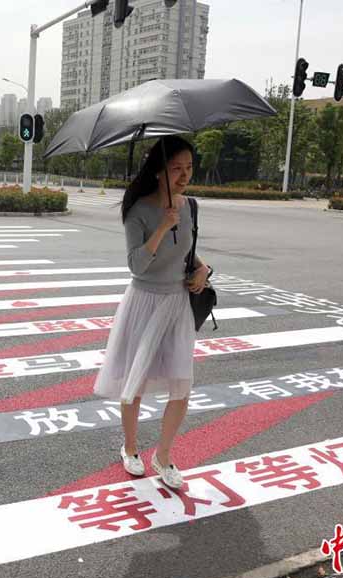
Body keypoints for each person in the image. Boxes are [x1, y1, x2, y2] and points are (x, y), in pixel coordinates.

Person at [93, 135, 211, 489]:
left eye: (189, 167)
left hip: (177, 303)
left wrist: (203, 270)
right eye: (176, 168)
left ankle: (163, 456)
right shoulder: (138, 209)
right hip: (144, 301)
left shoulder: (190, 206)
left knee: (181, 384)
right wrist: (162, 226)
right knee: (136, 381)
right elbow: (137, 266)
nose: (184, 175)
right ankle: (130, 448)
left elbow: (189, 254)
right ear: (159, 171)